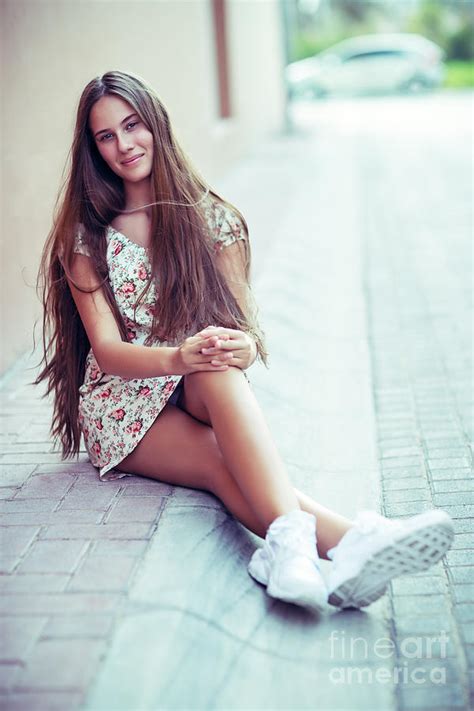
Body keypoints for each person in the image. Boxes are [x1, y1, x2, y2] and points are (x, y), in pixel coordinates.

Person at [35, 70, 454, 612]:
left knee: (219, 369)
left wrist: (245, 349)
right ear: (93, 149)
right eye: (106, 136)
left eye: (132, 125)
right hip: (121, 405)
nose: (124, 145)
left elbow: (241, 325)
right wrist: (177, 356)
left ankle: (297, 554)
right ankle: (346, 543)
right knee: (217, 460)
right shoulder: (86, 235)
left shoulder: (213, 220)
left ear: (155, 124)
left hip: (191, 382)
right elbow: (110, 353)